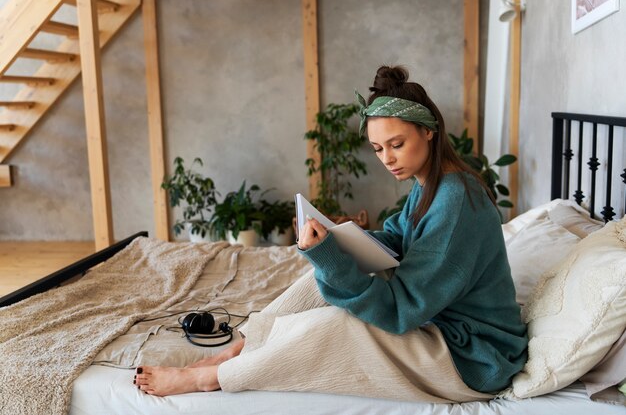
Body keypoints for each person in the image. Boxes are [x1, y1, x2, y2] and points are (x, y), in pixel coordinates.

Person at [134, 65, 528, 401]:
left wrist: (334, 256)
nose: (387, 159)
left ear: (429, 131)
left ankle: (211, 377)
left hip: (473, 356)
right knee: (316, 280)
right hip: (440, 322)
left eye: (397, 144)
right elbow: (397, 240)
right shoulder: (432, 184)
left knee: (338, 323)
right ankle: (243, 345)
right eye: (377, 148)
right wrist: (340, 237)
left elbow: (400, 308)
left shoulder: (456, 200)